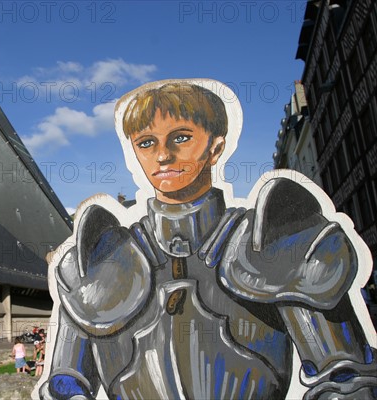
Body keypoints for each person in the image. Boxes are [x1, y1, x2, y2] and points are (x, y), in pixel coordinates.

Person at [38, 80, 377, 399]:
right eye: (146, 143)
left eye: (181, 137)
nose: (162, 156)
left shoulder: (279, 236)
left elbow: (345, 377)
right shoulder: (94, 259)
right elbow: (65, 385)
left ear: (216, 147)